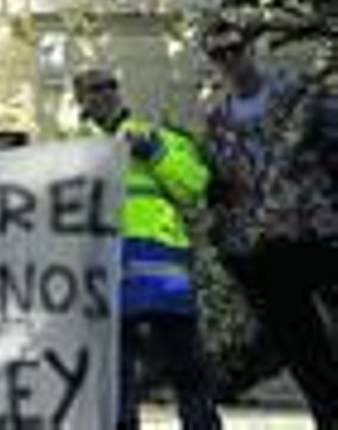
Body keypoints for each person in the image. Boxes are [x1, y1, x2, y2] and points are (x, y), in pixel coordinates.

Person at [198, 17, 338, 428]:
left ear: (250, 48)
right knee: (304, 354)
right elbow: (219, 187)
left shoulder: (300, 94)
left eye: (234, 48)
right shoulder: (216, 122)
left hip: (317, 233)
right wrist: (226, 242)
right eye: (218, 53)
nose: (229, 59)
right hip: (260, 251)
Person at [72, 67, 221, 430]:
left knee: (189, 375)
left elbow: (195, 185)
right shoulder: (70, 149)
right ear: (80, 99)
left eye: (111, 86)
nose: (106, 93)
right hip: (107, 285)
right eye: (95, 89)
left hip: (165, 280)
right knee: (117, 384)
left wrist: (154, 154)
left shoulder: (154, 135)